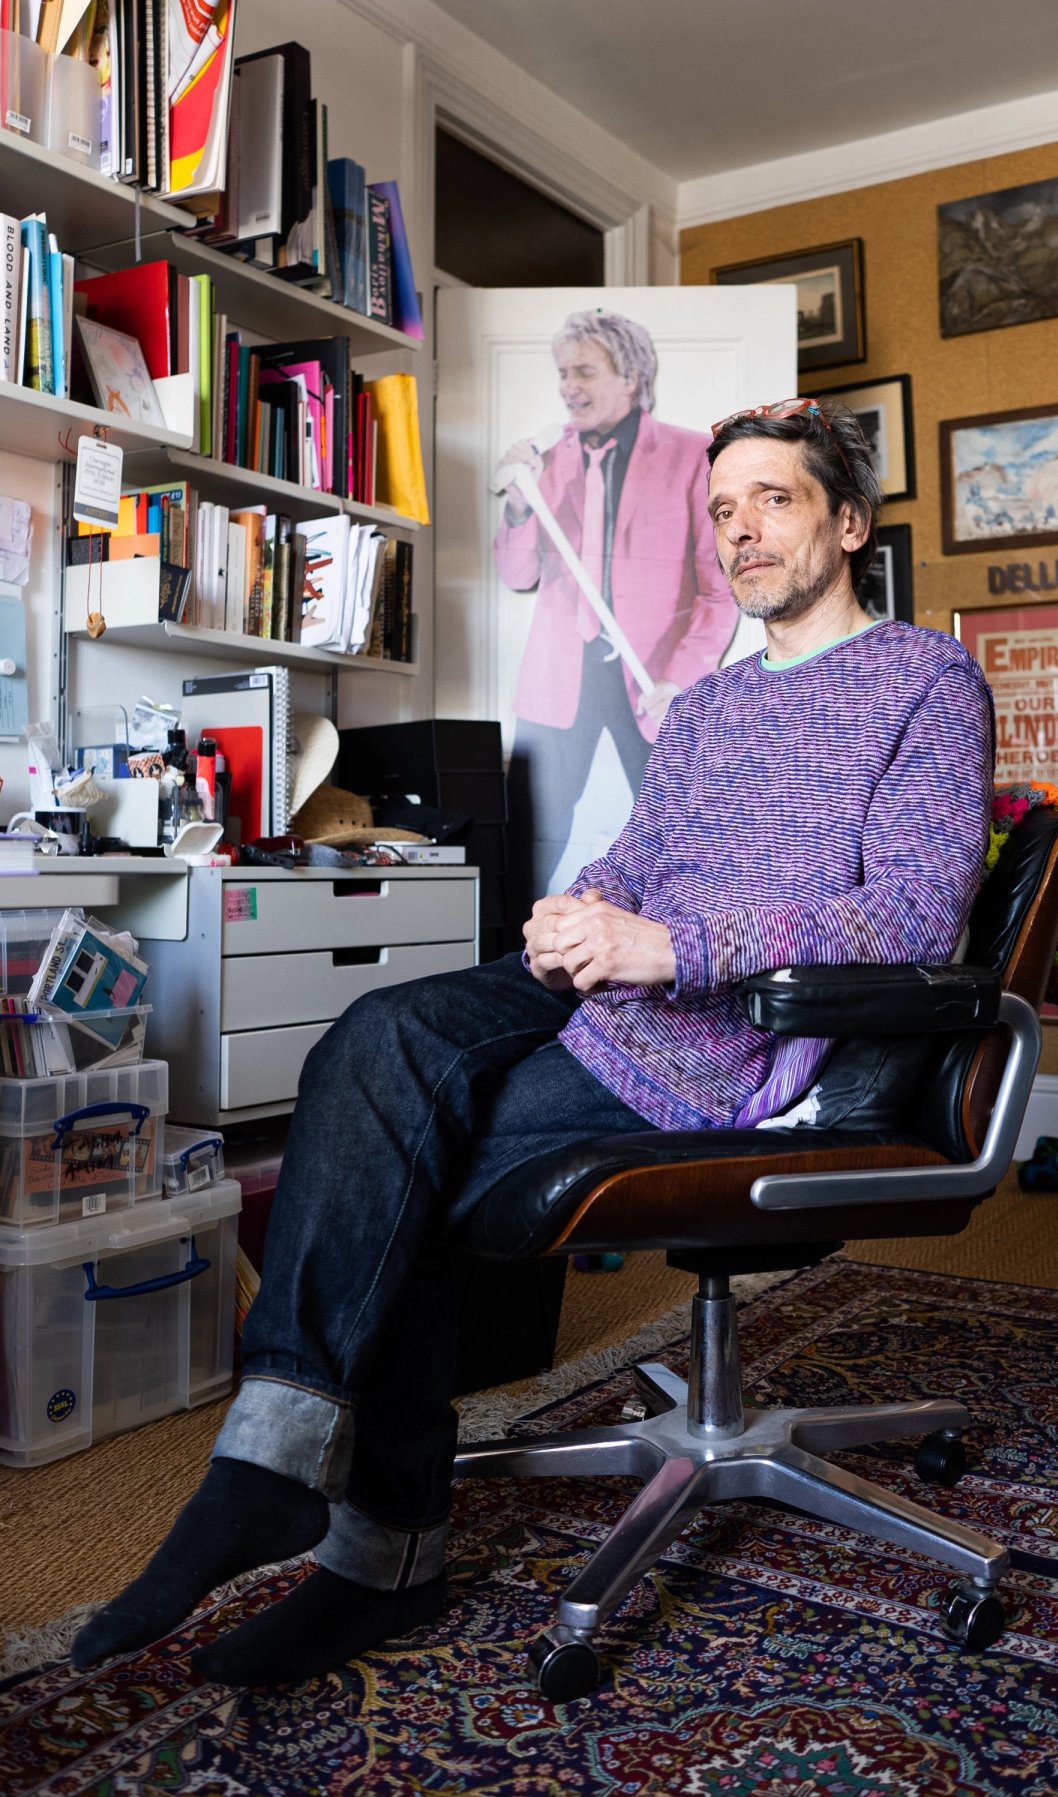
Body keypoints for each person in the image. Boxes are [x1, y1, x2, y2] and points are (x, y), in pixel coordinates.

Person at [72, 396, 995, 1688]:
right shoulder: (716, 704)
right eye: (721, 510)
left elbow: (907, 913)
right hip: (603, 989)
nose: (739, 532)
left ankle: (355, 1540)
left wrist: (671, 947)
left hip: (722, 1035)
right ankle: (275, 1467)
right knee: (373, 1038)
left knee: (407, 1158)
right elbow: (642, 855)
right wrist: (588, 904)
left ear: (848, 522)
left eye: (772, 501)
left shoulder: (926, 681)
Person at [493, 308, 739, 906]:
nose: (567, 388)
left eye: (583, 372)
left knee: (686, 849)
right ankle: (507, 972)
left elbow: (719, 589)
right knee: (526, 847)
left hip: (653, 678)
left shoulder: (693, 455)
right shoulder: (544, 458)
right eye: (561, 374)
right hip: (560, 680)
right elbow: (517, 571)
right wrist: (520, 504)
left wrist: (682, 679)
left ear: (630, 376)